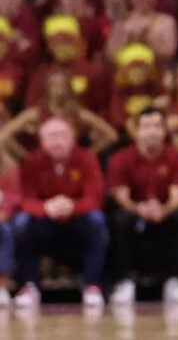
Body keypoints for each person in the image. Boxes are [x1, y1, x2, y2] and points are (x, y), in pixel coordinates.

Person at [9, 116, 109, 314]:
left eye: (62, 135)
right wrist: (45, 207)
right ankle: (29, 285)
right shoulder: (32, 161)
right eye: (52, 136)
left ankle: (92, 285)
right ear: (42, 141)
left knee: (98, 221)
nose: (57, 141)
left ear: (72, 138)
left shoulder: (87, 158)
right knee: (21, 223)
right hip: (44, 220)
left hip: (78, 219)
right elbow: (25, 199)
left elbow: (95, 197)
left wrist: (73, 205)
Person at [104, 105, 178, 307]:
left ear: (164, 131)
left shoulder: (176, 157)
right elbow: (121, 196)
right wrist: (140, 209)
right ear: (136, 132)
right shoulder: (120, 159)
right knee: (119, 220)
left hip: (163, 215)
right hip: (135, 213)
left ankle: (175, 281)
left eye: (157, 126)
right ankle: (124, 281)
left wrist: (162, 210)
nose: (152, 132)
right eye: (146, 127)